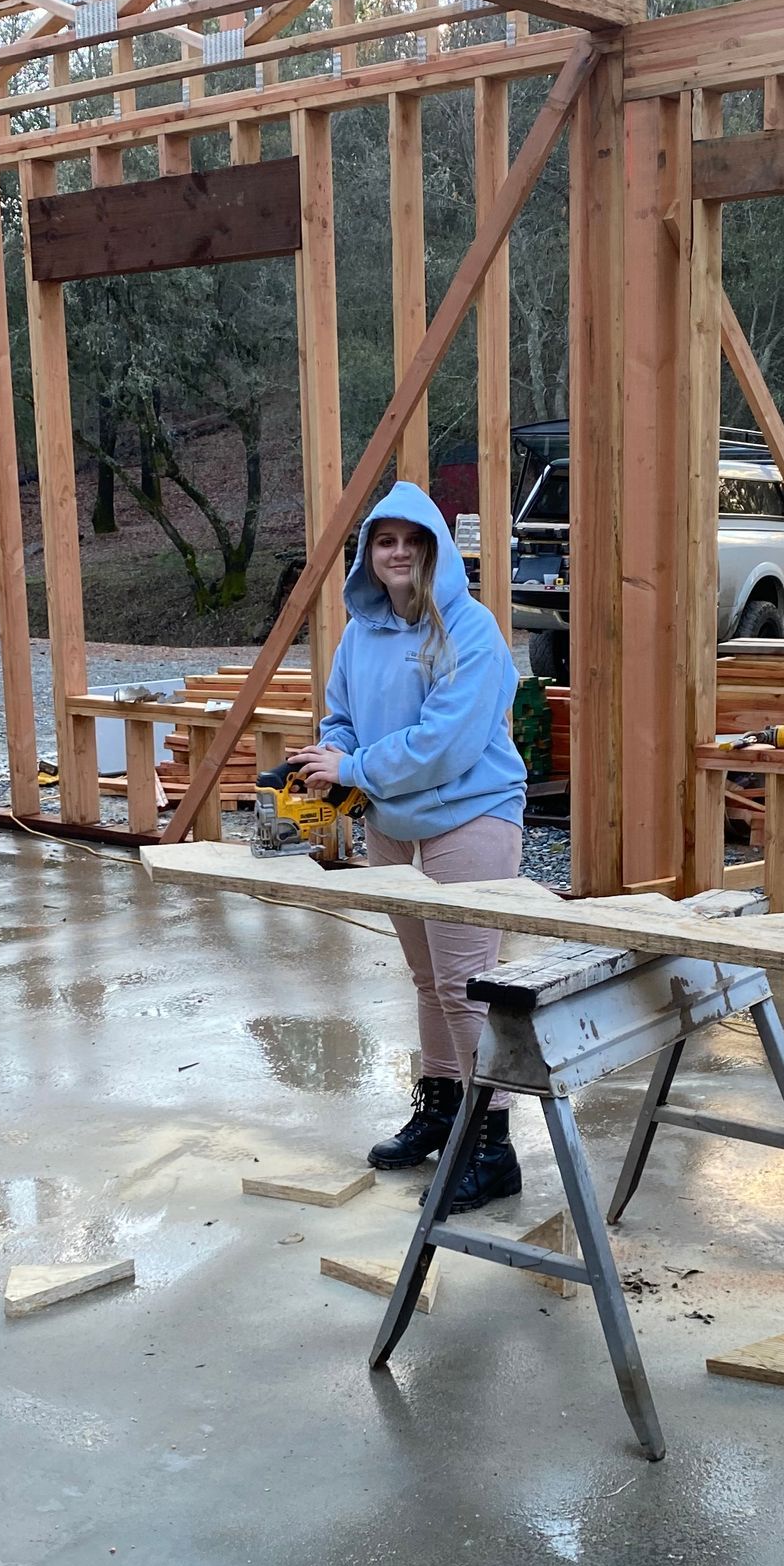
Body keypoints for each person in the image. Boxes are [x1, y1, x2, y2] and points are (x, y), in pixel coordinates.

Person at [290, 484, 527, 1211]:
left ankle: (493, 1147)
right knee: (428, 981)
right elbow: (341, 717)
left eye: (411, 540)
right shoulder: (362, 631)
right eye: (383, 541)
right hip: (392, 822)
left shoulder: (472, 629)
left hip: (470, 814)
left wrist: (354, 770)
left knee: (467, 986)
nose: (397, 552)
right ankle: (444, 1108)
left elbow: (446, 745)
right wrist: (332, 755)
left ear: (433, 549)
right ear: (370, 553)